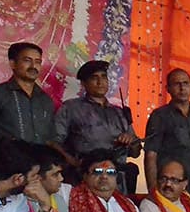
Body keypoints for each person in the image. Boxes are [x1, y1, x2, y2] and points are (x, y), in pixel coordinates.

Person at [54, 60, 142, 191]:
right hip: (84, 178)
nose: (100, 82)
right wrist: (74, 163)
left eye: (103, 77)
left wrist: (130, 141)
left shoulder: (119, 112)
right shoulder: (71, 108)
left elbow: (135, 153)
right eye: (94, 78)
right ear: (84, 83)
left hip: (116, 181)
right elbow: (54, 142)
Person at [144, 69, 190, 197]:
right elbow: (151, 156)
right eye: (177, 84)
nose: (182, 87)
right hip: (171, 189)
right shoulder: (160, 116)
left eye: (185, 83)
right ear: (168, 88)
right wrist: (153, 191)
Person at [0, 42, 57, 152]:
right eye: (27, 60)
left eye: (38, 62)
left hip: (41, 165)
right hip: (6, 166)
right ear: (12, 64)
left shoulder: (45, 100)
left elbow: (50, 139)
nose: (33, 66)